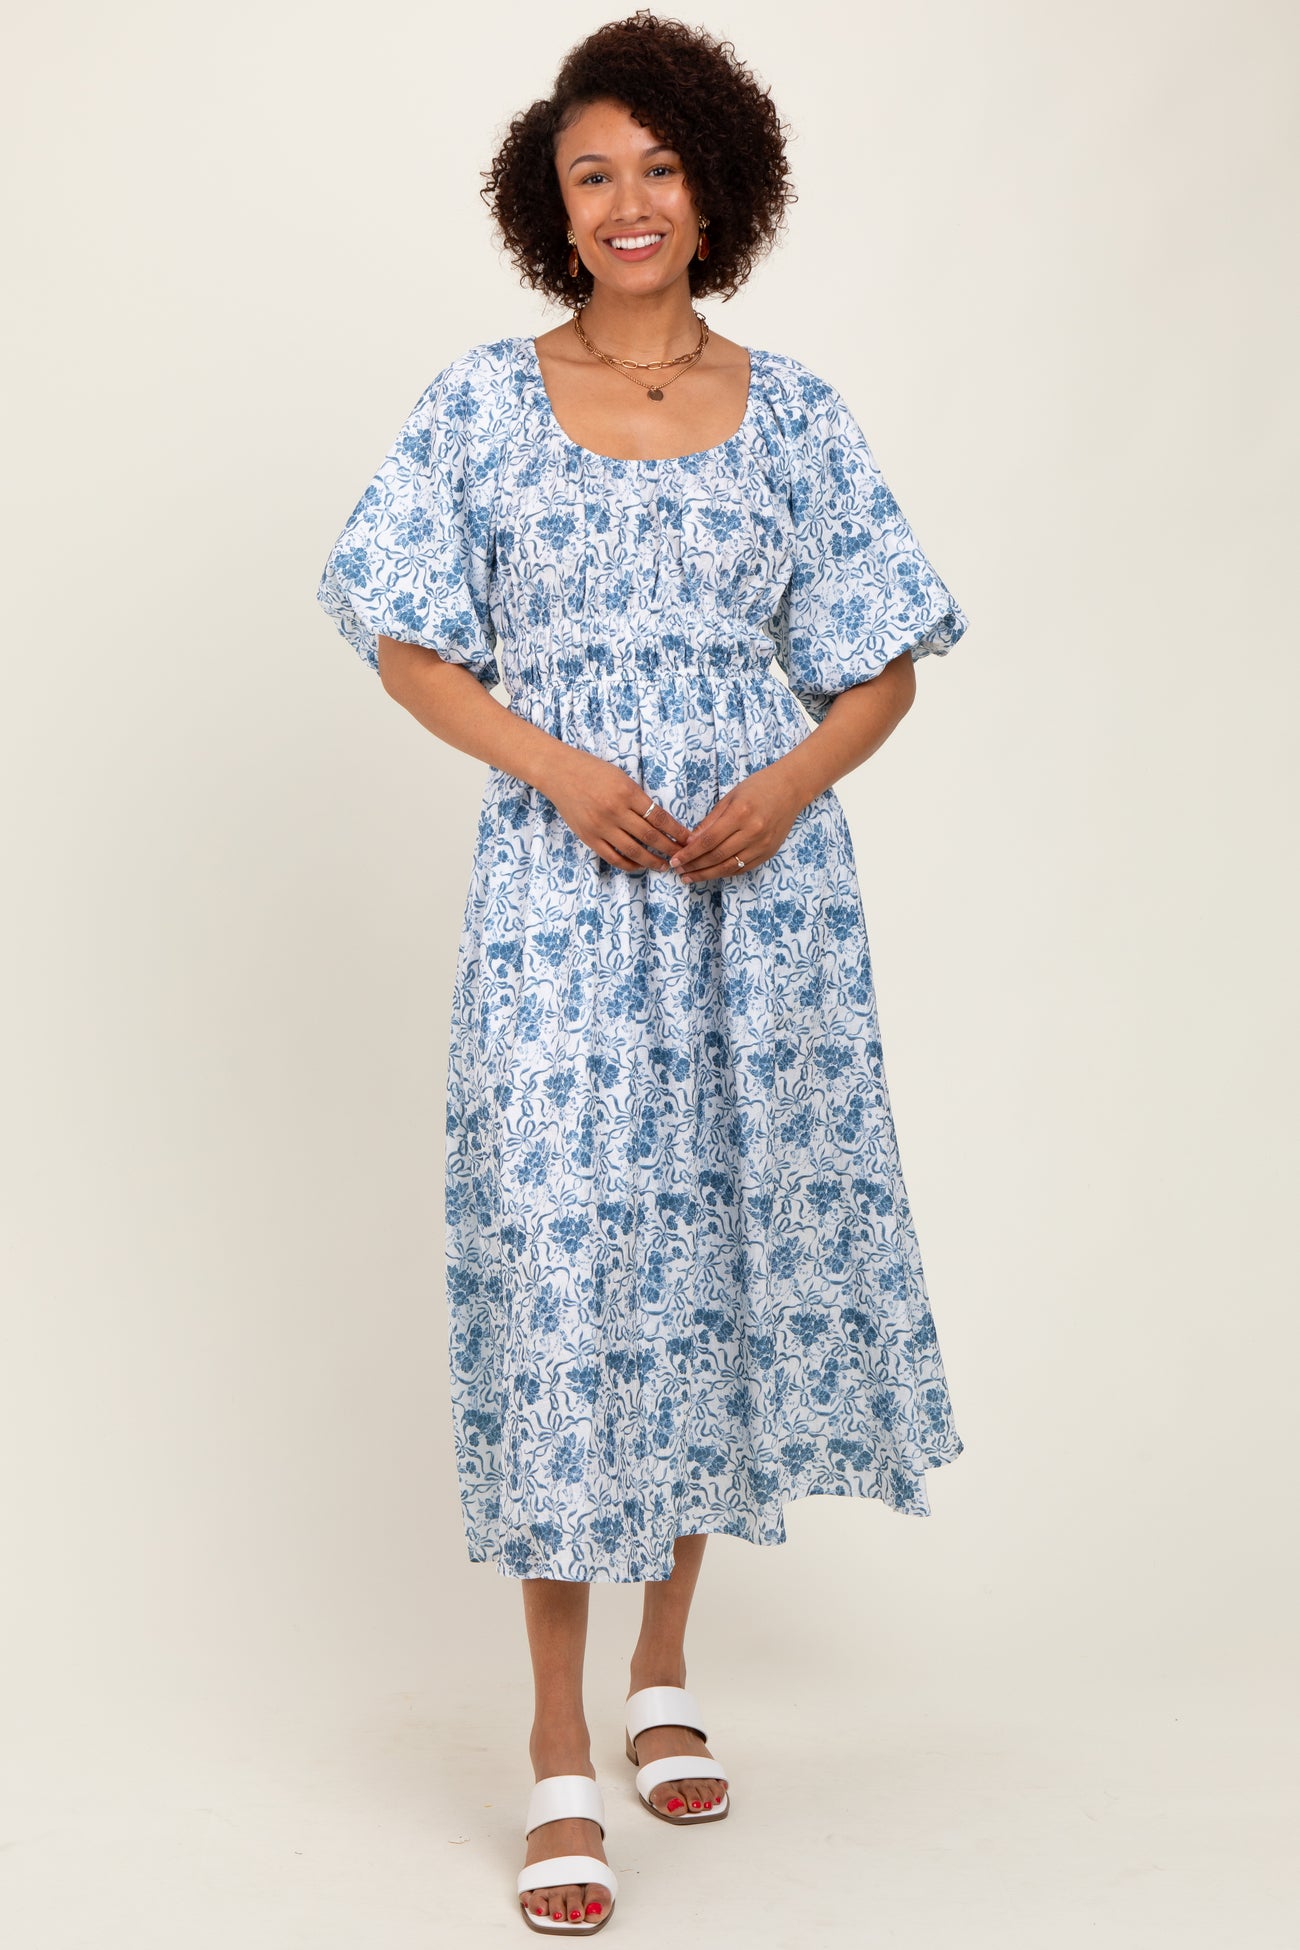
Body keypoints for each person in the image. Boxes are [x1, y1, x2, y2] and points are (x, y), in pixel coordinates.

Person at [316, 10, 969, 1935]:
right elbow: (405, 640)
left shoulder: (801, 410)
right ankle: (553, 1739)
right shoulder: (478, 402)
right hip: (561, 892)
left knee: (713, 1262)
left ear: (716, 186)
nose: (627, 201)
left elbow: (882, 661)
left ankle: (666, 1669)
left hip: (758, 900)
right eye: (591, 171)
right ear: (550, 200)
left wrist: (786, 782)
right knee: (569, 1274)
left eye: (660, 167)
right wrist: (558, 767)